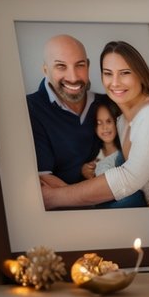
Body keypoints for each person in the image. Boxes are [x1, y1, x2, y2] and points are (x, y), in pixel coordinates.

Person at [40, 41, 149, 209]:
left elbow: (128, 178)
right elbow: (121, 166)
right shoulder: (122, 121)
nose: (115, 82)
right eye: (108, 73)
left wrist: (55, 197)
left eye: (125, 73)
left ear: (140, 74)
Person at [27, 34, 99, 187]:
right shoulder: (30, 109)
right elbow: (44, 179)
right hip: (71, 201)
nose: (73, 77)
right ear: (45, 70)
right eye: (61, 66)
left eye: (80, 65)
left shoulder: (103, 102)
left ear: (88, 66)